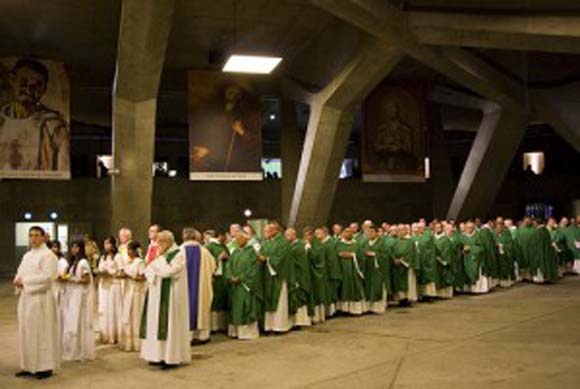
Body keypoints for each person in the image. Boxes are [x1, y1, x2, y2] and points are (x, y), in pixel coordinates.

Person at [0, 59, 69, 173]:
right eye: (23, 82)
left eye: (37, 85)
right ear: (13, 80)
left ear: (44, 88)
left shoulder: (53, 126)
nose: (29, 90)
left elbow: (63, 169)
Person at [13, 226, 59, 380]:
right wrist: (17, 280)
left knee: (41, 332)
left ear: (43, 237)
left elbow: (47, 277)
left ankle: (44, 367)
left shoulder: (48, 255)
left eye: (37, 235)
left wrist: (24, 281)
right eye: (31, 235)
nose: (33, 238)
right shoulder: (27, 255)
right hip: (26, 298)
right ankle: (28, 365)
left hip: (41, 299)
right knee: (26, 331)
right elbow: (20, 271)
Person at [140, 231, 191, 368]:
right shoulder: (162, 254)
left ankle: (171, 358)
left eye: (161, 241)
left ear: (169, 241)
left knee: (169, 325)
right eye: (158, 241)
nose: (158, 244)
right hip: (156, 294)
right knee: (155, 324)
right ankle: (157, 355)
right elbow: (149, 270)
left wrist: (156, 264)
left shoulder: (179, 253)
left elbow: (170, 271)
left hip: (171, 296)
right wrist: (155, 267)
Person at [181, 227, 216, 345]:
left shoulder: (179, 251)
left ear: (184, 237)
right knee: (201, 308)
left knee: (185, 309)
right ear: (197, 237)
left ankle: (187, 336)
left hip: (183, 289)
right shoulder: (204, 252)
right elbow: (213, 267)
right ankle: (202, 336)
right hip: (201, 289)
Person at [226, 231, 263, 340]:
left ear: (246, 239)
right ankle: (235, 332)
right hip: (235, 285)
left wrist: (241, 278)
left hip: (245, 285)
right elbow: (229, 266)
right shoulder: (235, 252)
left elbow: (253, 269)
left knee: (246, 307)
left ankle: (248, 333)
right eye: (236, 239)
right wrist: (230, 277)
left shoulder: (252, 252)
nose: (237, 241)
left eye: (240, 239)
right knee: (236, 308)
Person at [61, 240, 95, 361]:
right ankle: (73, 348)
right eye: (72, 246)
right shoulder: (74, 262)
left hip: (80, 296)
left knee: (79, 321)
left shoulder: (83, 262)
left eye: (76, 247)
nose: (73, 249)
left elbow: (86, 280)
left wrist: (73, 280)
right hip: (73, 294)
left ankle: (81, 350)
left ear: (80, 248)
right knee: (72, 320)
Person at [259, 223, 292, 333]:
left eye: (266, 231)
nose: (265, 234)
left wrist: (267, 260)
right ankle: (268, 326)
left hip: (277, 276)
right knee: (268, 300)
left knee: (279, 301)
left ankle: (279, 326)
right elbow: (261, 254)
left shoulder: (283, 243)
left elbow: (281, 259)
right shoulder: (267, 243)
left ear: (274, 230)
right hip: (267, 276)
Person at [97, 236, 124, 344]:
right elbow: (99, 268)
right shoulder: (103, 257)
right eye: (105, 243)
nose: (106, 246)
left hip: (114, 285)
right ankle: (105, 334)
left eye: (108, 243)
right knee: (104, 309)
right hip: (104, 285)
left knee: (113, 309)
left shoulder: (117, 256)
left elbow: (121, 271)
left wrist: (111, 273)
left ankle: (114, 335)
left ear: (113, 244)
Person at [121, 241, 146, 352]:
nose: (128, 252)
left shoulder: (140, 262)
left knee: (136, 316)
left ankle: (138, 343)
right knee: (128, 316)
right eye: (128, 250)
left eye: (130, 249)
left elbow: (142, 277)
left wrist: (130, 275)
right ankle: (128, 343)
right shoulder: (127, 261)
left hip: (137, 292)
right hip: (128, 290)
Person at [285, 227, 312, 327]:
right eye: (286, 235)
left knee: (299, 297)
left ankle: (300, 321)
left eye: (288, 235)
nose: (286, 237)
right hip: (293, 274)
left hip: (299, 275)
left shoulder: (299, 246)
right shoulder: (291, 245)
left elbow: (298, 263)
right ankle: (295, 321)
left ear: (294, 235)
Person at [336, 228, 366, 315]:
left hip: (353, 271)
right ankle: (343, 309)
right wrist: (340, 255)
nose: (348, 233)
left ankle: (354, 310)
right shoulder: (338, 244)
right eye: (346, 232)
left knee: (354, 289)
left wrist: (353, 255)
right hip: (342, 270)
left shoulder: (357, 244)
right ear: (343, 233)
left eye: (350, 232)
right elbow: (334, 255)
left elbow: (362, 257)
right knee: (343, 289)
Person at [360, 224, 389, 313]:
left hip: (378, 269)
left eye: (372, 232)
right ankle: (368, 307)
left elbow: (385, 255)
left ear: (377, 233)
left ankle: (378, 308)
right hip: (368, 268)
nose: (370, 234)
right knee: (368, 287)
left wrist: (374, 254)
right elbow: (360, 252)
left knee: (377, 287)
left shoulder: (382, 243)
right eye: (368, 232)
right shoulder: (364, 242)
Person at [205, 230, 230, 332]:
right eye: (225, 236)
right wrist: (218, 258)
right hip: (215, 277)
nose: (227, 238)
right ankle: (214, 326)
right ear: (220, 236)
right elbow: (207, 261)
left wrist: (227, 257)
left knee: (223, 300)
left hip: (224, 277)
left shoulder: (224, 246)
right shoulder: (210, 246)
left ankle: (222, 325)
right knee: (214, 301)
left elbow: (229, 258)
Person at [304, 227, 327, 324]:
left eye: (308, 235)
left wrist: (309, 250)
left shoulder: (319, 245)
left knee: (317, 294)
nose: (306, 237)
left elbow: (316, 258)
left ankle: (318, 317)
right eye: (305, 235)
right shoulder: (307, 243)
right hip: (309, 273)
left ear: (312, 235)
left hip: (316, 273)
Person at [391, 225, 419, 307]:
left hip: (407, 266)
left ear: (406, 231)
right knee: (399, 284)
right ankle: (401, 299)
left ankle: (408, 299)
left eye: (402, 230)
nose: (400, 232)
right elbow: (392, 251)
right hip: (398, 266)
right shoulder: (396, 241)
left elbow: (411, 253)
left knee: (408, 283)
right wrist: (395, 259)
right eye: (398, 230)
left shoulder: (410, 242)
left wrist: (403, 260)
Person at [316, 226, 341, 317]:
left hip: (330, 272)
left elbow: (332, 260)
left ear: (325, 233)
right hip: (324, 271)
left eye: (318, 233)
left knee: (330, 292)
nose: (316, 235)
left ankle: (331, 312)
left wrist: (332, 273)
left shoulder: (330, 244)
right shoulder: (321, 243)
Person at [413, 223, 438, 302]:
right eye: (417, 228)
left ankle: (430, 295)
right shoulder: (416, 237)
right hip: (420, 260)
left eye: (419, 228)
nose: (418, 229)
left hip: (427, 260)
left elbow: (430, 249)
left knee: (428, 279)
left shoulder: (428, 236)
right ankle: (422, 294)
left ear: (423, 228)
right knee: (421, 278)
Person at [433, 223, 455, 299]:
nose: (437, 229)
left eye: (438, 227)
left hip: (443, 261)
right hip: (435, 262)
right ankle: (437, 294)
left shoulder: (446, 239)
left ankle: (444, 294)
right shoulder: (432, 238)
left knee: (444, 276)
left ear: (442, 228)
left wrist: (442, 258)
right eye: (435, 227)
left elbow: (448, 250)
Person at [494, 220, 516, 288]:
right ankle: (498, 281)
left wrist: (502, 245)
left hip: (506, 255)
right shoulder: (494, 234)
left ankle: (506, 282)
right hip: (497, 255)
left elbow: (510, 244)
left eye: (500, 228)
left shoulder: (507, 234)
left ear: (502, 227)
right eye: (497, 228)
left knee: (505, 268)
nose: (498, 229)